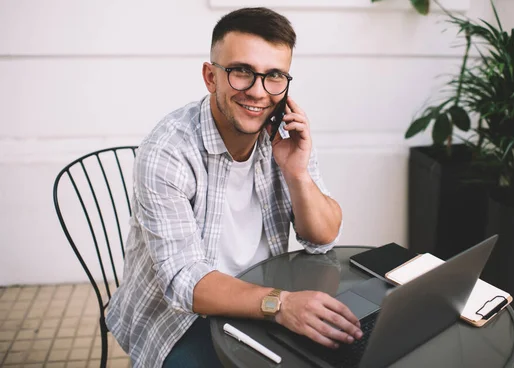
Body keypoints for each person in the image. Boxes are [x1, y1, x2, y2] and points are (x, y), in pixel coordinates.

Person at [106, 7, 363, 368]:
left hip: (263, 296)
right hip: (176, 318)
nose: (258, 92)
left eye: (274, 76)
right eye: (242, 72)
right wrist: (282, 304)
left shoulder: (284, 134)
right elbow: (185, 281)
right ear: (210, 76)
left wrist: (298, 173)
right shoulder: (168, 150)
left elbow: (322, 238)